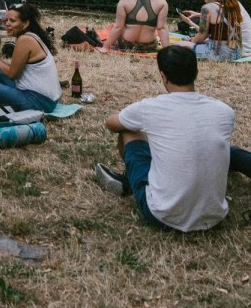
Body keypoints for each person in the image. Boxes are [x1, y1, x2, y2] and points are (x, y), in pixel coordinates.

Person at [94, 46, 235, 232]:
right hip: (214, 216)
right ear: (196, 73)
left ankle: (127, 182)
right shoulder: (224, 111)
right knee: (209, 146)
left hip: (163, 216)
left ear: (163, 76)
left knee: (128, 131)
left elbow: (111, 124)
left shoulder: (150, 108)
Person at [0, 3, 62, 112]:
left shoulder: (25, 40)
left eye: (12, 21)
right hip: (46, 99)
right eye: (6, 20)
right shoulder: (30, 36)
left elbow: (12, 74)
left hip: (39, 102)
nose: (7, 24)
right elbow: (14, 70)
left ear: (25, 23)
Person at [179, 0, 251, 61]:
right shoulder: (232, 6)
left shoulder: (207, 8)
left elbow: (202, 35)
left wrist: (191, 42)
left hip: (219, 53)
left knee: (178, 45)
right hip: (237, 52)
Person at [100, 0, 169, 53]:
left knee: (115, 26)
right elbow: (161, 28)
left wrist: (105, 48)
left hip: (125, 44)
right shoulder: (161, 1)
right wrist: (168, 52)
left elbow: (118, 27)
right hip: (148, 46)